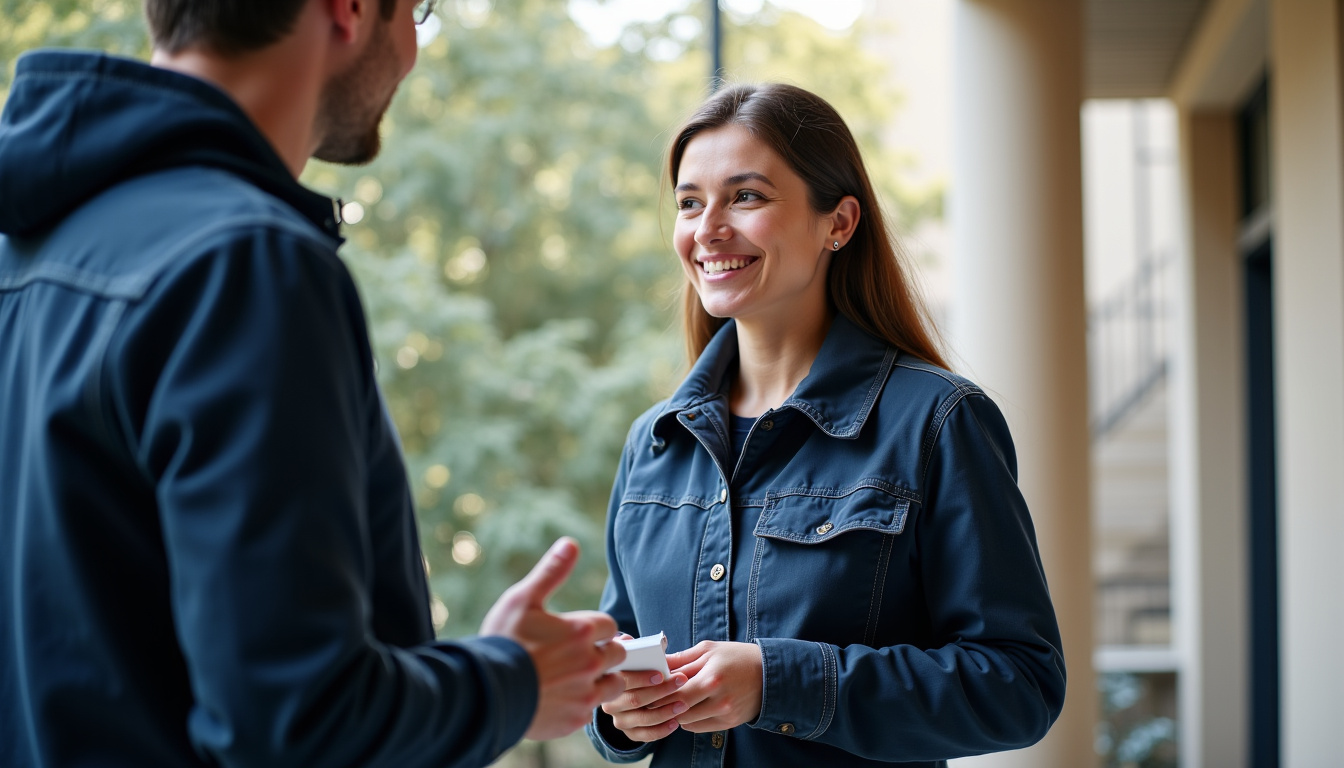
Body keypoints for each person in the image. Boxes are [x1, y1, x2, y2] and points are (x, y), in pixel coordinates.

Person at [0, 1, 626, 767]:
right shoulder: (245, 263)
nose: (413, 53)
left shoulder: (28, 245)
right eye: (418, 12)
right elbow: (298, 724)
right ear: (350, 9)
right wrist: (510, 682)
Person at [585, 83, 1067, 767]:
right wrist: (620, 714)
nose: (708, 228)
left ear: (838, 223)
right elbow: (621, 659)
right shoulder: (655, 442)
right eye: (690, 202)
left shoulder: (939, 421)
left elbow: (1020, 686)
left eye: (745, 196)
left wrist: (777, 683)